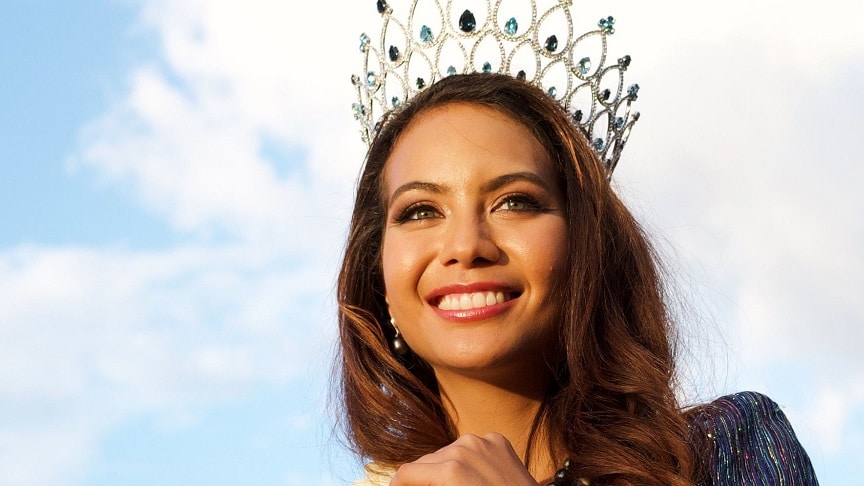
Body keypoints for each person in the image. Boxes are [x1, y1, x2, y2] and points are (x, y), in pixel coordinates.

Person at [337, 4, 818, 485]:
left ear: (585, 247)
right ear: (378, 276)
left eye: (515, 202)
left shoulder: (725, 451)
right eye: (420, 211)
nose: (466, 246)